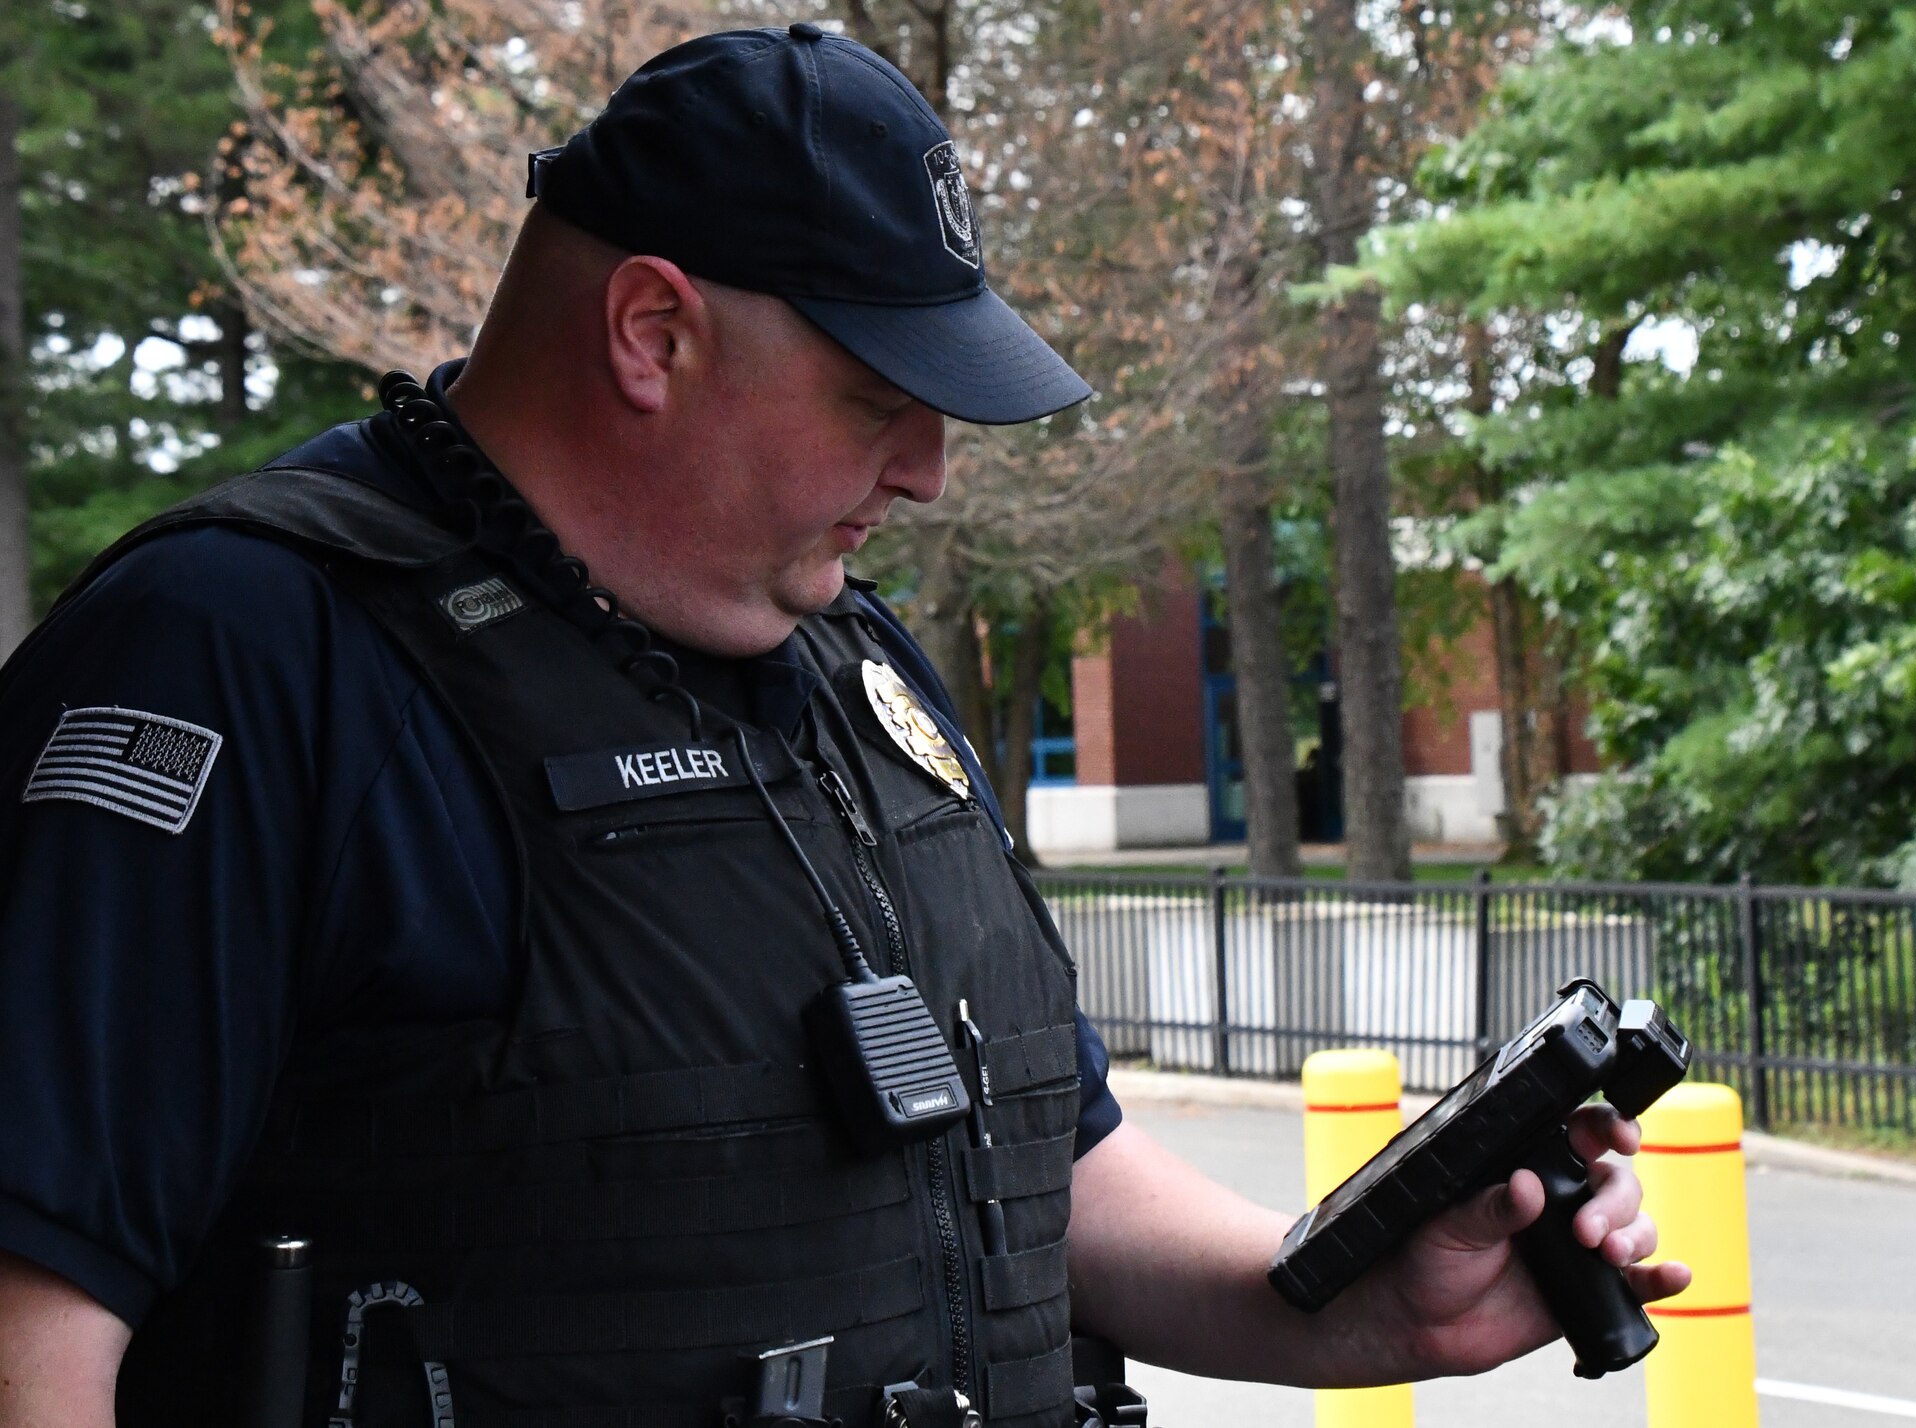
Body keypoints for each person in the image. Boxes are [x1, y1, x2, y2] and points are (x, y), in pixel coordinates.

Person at [0, 24, 1688, 1426]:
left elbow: (1049, 1168)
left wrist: (1340, 1297)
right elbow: (32, 1327)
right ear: (653, 330)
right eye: (879, 401)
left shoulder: (851, 665)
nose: (930, 471)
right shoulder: (230, 654)